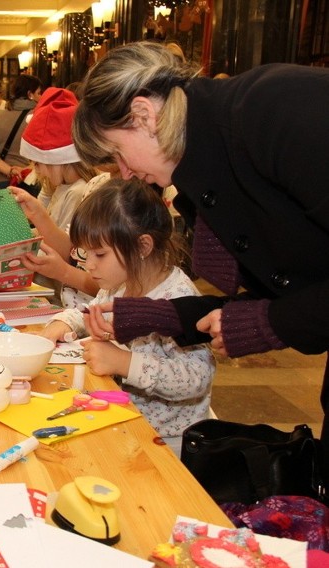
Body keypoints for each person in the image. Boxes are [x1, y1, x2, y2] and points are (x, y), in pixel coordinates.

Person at [71, 41, 329, 441]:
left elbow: (283, 303)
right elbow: (281, 291)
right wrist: (163, 317)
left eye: (119, 153)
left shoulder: (275, 108)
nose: (124, 173)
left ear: (144, 115)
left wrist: (271, 323)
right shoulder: (197, 173)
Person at [41, 179, 215, 454]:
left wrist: (125, 362)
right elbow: (90, 311)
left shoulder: (180, 300)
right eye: (85, 254)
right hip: (121, 419)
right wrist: (66, 321)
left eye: (100, 254)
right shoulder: (121, 283)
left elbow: (197, 377)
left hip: (166, 443)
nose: (89, 265)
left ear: (143, 247)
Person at [14, 87, 100, 308]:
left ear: (58, 160)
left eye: (40, 164)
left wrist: (36, 220)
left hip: (60, 296)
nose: (38, 172)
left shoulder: (78, 191)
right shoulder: (61, 188)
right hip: (52, 291)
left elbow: (67, 251)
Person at [0, 74, 42, 189]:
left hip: (2, 183)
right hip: (32, 183)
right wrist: (25, 170)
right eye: (39, 93)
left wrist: (10, 170)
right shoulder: (40, 118)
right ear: (30, 95)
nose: (41, 97)